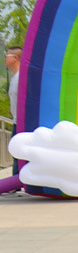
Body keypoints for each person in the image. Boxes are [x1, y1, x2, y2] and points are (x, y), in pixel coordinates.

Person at [5, 46, 22, 176]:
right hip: (16, 120)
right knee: (16, 151)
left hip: (22, 122)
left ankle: (16, 180)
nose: (5, 58)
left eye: (7, 55)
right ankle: (16, 180)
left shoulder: (21, 78)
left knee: (18, 150)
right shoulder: (15, 78)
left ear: (15, 58)